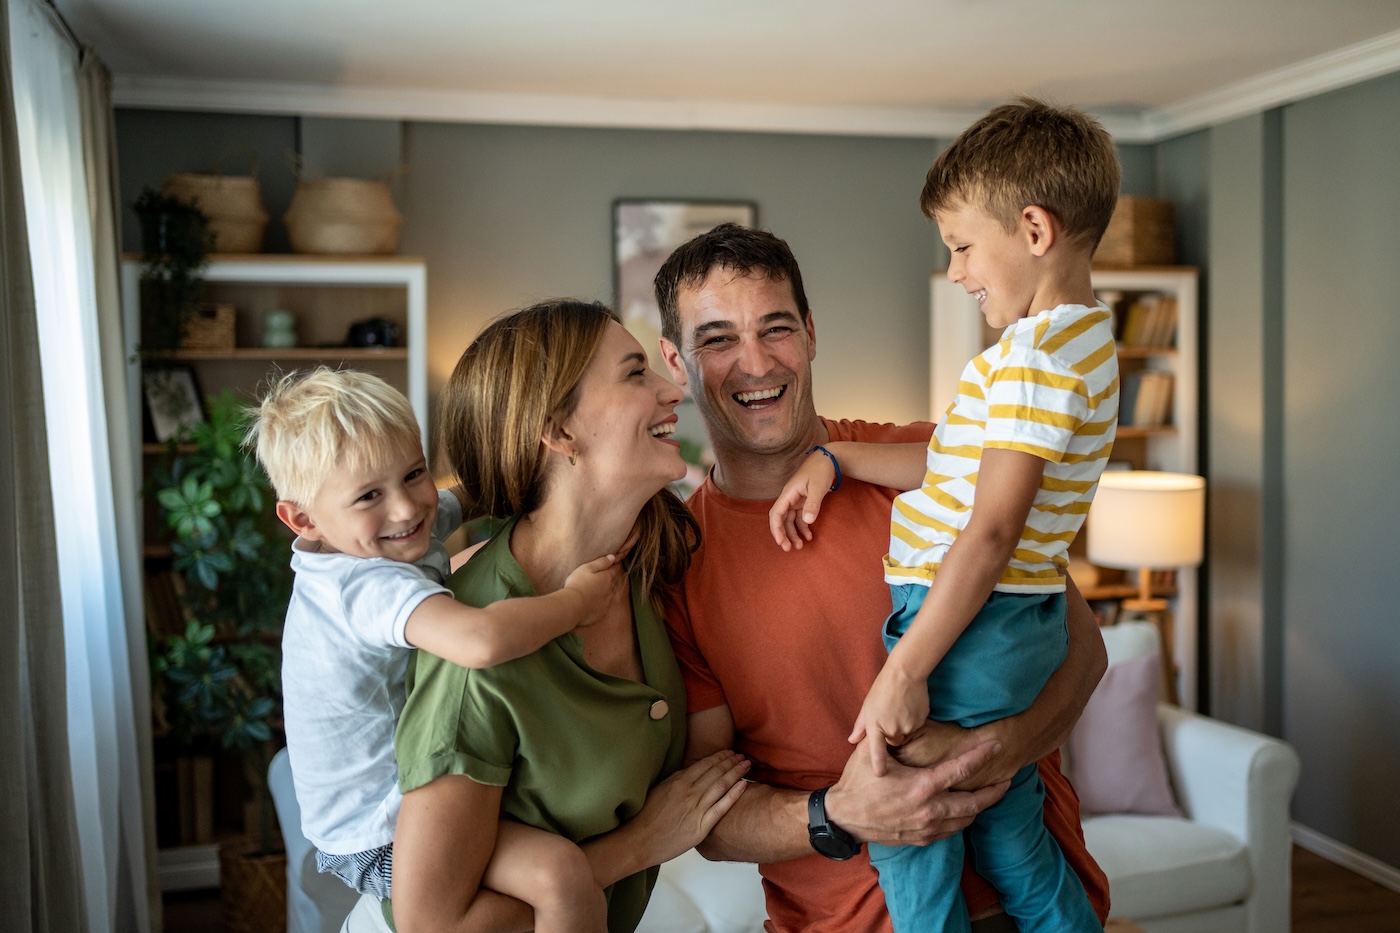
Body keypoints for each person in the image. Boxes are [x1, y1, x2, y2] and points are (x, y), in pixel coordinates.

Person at [654, 222, 1111, 932]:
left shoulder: (937, 460)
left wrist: (993, 755)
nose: (754, 362)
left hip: (1029, 905)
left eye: (775, 328)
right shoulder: (676, 562)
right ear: (675, 364)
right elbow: (710, 817)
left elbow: (1083, 650)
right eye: (716, 339)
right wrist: (837, 812)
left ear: (809, 333)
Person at [766, 98, 1120, 932]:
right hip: (1018, 624)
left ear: (1035, 230)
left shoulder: (1032, 359)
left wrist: (904, 670)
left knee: (907, 829)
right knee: (1009, 832)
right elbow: (956, 471)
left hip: (971, 627)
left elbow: (989, 529)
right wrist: (836, 457)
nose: (957, 272)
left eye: (963, 247)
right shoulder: (1084, 344)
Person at [375, 300, 750, 933]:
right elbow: (434, 929)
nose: (672, 389)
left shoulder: (651, 566)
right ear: (560, 432)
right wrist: (642, 842)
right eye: (635, 373)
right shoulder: (477, 652)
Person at [251, 367, 632, 929]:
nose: (406, 509)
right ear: (302, 518)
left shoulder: (397, 528)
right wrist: (577, 604)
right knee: (559, 875)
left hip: (402, 795)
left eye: (414, 473)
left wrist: (552, 446)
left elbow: (471, 493)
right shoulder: (363, 586)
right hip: (374, 831)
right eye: (369, 496)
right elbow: (481, 640)